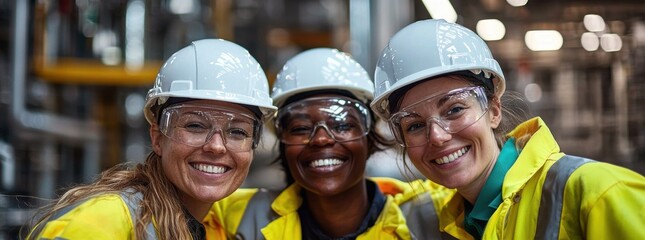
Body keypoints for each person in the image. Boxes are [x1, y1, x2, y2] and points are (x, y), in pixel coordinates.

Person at [370, 18, 645, 240]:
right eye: (415, 125)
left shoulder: (599, 192)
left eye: (454, 109)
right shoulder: (444, 223)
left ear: (493, 110)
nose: (438, 136)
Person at [27, 39, 277, 239]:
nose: (216, 146)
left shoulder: (218, 225)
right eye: (195, 125)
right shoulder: (101, 222)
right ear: (158, 137)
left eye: (238, 132)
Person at [213, 48, 453, 239]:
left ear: (369, 139)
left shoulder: (438, 213)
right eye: (300, 128)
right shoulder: (237, 217)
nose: (321, 139)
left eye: (341, 125)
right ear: (284, 145)